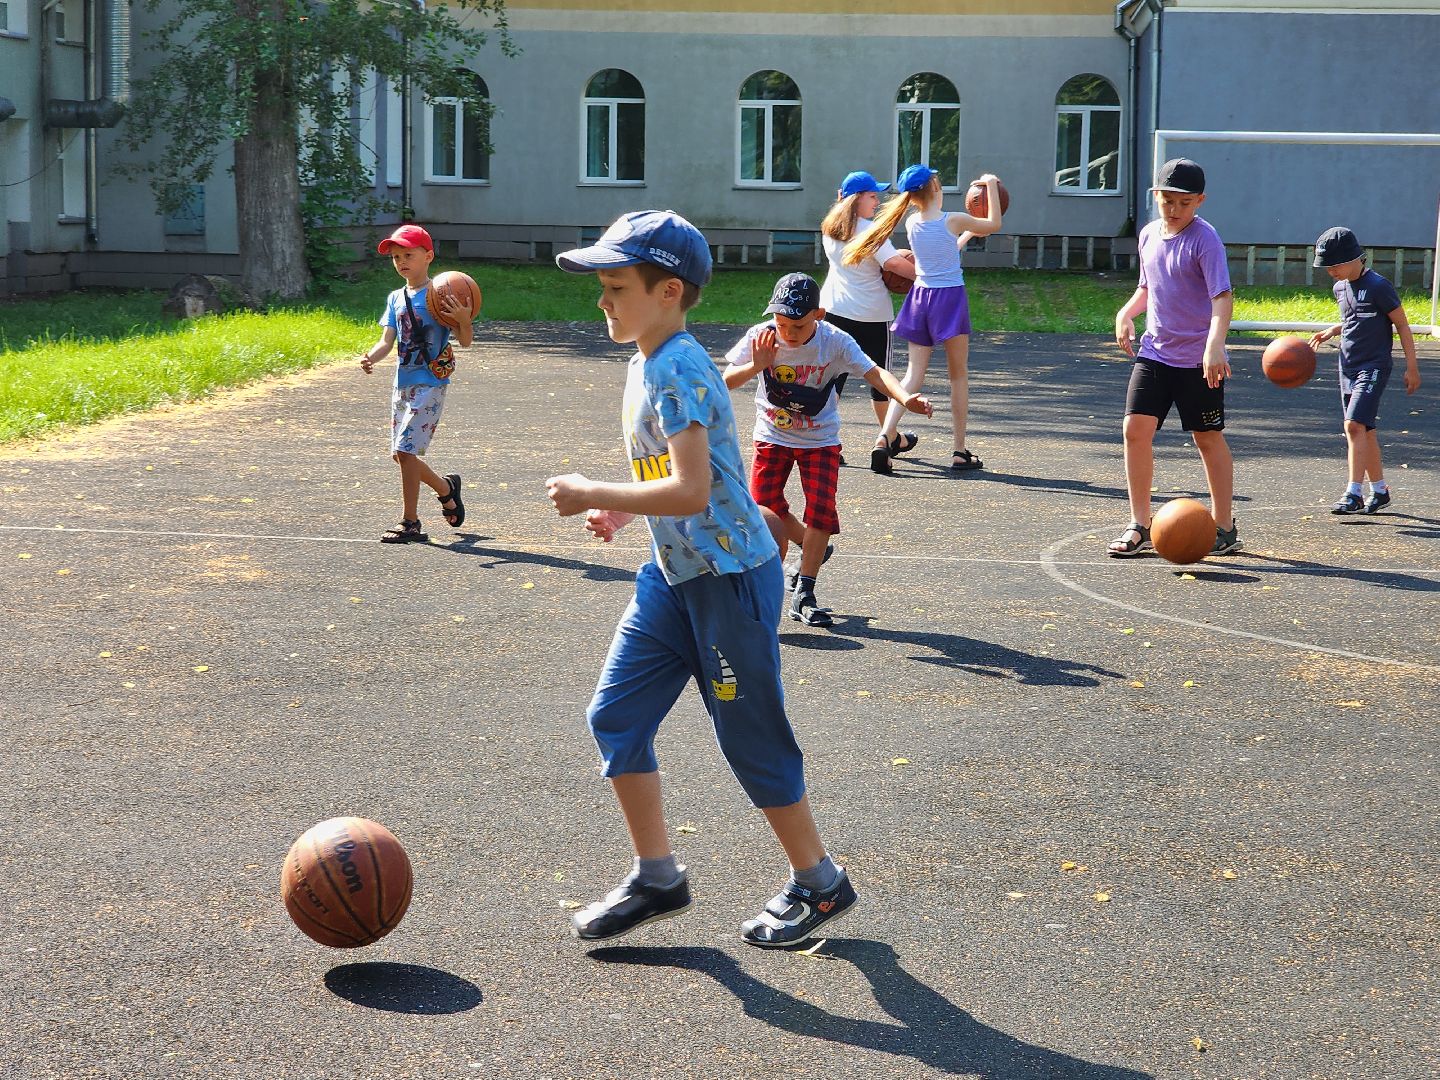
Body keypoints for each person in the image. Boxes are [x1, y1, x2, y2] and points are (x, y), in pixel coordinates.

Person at [546, 210, 856, 948]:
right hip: (672, 575)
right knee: (615, 717)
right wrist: (626, 517)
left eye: (617, 286)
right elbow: (682, 472)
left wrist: (596, 494)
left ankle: (821, 883)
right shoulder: (645, 360)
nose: (604, 301)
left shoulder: (679, 365)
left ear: (669, 291)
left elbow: (689, 492)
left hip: (728, 580)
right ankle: (657, 876)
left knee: (749, 737)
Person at [723, 272, 933, 626]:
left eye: (798, 325)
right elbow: (722, 382)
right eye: (781, 322)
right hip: (772, 435)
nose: (788, 333)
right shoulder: (761, 340)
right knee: (765, 512)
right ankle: (795, 563)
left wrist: (904, 398)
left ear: (819, 315)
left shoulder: (834, 341)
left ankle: (805, 590)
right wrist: (755, 366)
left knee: (821, 509)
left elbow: (875, 373)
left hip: (820, 439)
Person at [1109, 158, 1239, 558]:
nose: (1175, 209)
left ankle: (1224, 525)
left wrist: (1214, 345)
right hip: (1155, 353)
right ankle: (1140, 523)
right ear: (1156, 197)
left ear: (1199, 201)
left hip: (1198, 359)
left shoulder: (1205, 239)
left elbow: (1222, 297)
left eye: (1184, 202)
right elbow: (1147, 287)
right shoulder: (1148, 234)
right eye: (1167, 200)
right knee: (1135, 429)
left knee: (1206, 438)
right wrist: (1125, 313)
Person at [844, 163, 1003, 473]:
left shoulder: (915, 222)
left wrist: (966, 234)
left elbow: (943, 249)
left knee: (912, 375)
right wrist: (992, 184)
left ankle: (883, 437)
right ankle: (959, 451)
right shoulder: (952, 219)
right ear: (935, 190)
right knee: (958, 376)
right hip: (950, 298)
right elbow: (994, 223)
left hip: (921, 298)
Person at [359, 224, 473, 543]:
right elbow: (387, 341)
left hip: (430, 385)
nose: (401, 262)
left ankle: (411, 523)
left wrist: (464, 321)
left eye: (408, 255)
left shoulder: (442, 293)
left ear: (428, 256)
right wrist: (372, 356)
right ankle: (446, 489)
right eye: (396, 257)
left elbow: (465, 341)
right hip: (402, 384)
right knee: (401, 455)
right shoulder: (396, 298)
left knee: (405, 451)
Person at [1307, 226, 1422, 515]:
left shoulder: (1378, 286)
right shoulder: (1340, 287)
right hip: (1347, 366)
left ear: (1355, 258)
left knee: (1353, 426)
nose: (1331, 272)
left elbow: (1402, 325)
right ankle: (1380, 490)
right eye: (1327, 267)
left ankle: (1353, 492)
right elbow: (1354, 319)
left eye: (1335, 265)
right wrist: (1332, 330)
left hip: (1373, 367)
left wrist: (1412, 367)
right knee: (1365, 431)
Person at [817, 170, 919, 474]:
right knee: (881, 381)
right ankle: (885, 439)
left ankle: (826, 444)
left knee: (832, 380)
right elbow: (894, 264)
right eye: (872, 196)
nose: (876, 202)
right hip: (871, 317)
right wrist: (928, 277)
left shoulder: (829, 229)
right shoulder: (869, 230)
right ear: (857, 199)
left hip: (834, 311)